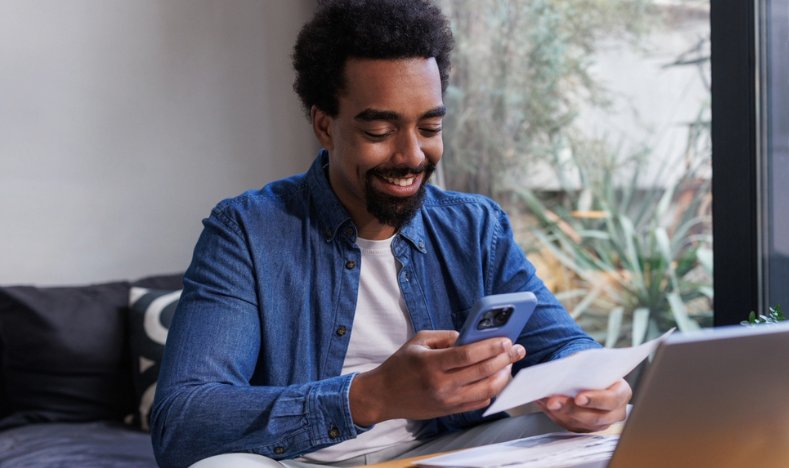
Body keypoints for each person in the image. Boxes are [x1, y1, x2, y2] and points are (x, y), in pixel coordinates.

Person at [150, 1, 631, 467]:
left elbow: (565, 345)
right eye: (380, 130)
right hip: (292, 462)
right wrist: (372, 395)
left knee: (601, 435)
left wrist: (596, 388)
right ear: (324, 125)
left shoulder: (476, 227)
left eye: (429, 126)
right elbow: (184, 420)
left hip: (443, 453)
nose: (412, 156)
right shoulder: (247, 231)